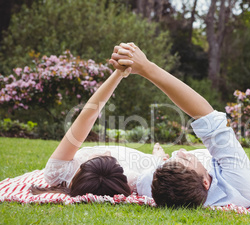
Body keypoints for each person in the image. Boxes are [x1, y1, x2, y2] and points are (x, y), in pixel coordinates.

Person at [110, 43, 250, 208]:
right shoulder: (241, 185)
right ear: (206, 183)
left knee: (157, 160)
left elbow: (123, 180)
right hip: (227, 172)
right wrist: (146, 68)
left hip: (165, 169)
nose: (181, 150)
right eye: (185, 159)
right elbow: (207, 117)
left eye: (177, 158)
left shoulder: (157, 185)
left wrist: (120, 72)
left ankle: (159, 157)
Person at [30, 48, 168, 197]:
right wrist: (157, 159)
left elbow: (88, 115)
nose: (106, 151)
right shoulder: (130, 176)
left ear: (83, 169)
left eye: (98, 158)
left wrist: (118, 74)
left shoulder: (58, 173)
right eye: (112, 160)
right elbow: (155, 176)